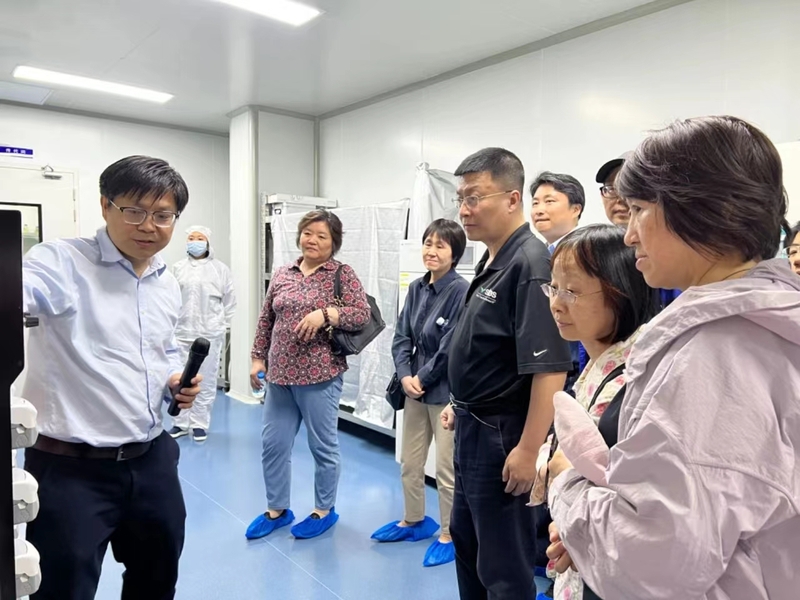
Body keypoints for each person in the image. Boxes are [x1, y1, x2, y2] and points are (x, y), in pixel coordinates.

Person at [546, 116, 800, 599]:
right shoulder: (770, 321)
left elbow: (650, 559)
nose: (629, 235)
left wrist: (566, 488)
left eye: (640, 209)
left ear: (702, 210)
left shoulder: (717, 353)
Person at [21, 155, 202, 599]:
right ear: (106, 206)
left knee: (156, 579)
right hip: (69, 469)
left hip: (151, 459)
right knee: (62, 589)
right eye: (134, 211)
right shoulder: (61, 262)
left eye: (163, 215)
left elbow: (162, 350)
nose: (148, 226)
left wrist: (173, 378)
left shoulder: (165, 280)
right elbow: (20, 290)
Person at [440, 147, 572, 599]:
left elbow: (550, 367)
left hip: (503, 434)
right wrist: (460, 401)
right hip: (473, 423)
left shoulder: (530, 264)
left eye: (475, 197)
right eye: (461, 198)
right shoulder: (493, 259)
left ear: (513, 199)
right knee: (468, 541)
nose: (464, 209)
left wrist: (528, 449)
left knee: (502, 563)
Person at [533, 224, 660, 600]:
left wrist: (561, 476)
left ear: (620, 292)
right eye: (553, 288)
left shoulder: (638, 376)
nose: (556, 303)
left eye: (571, 291)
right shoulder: (598, 363)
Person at [246, 209, 370, 541]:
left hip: (320, 376)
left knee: (322, 446)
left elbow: (362, 314)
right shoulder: (283, 273)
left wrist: (326, 314)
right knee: (273, 444)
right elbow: (266, 319)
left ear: (334, 242)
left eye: (321, 235)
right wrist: (257, 358)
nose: (312, 240)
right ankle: (277, 509)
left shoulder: (341, 273)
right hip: (279, 376)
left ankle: (323, 510)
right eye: (307, 233)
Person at [371, 219, 469, 567]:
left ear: (455, 254)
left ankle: (449, 533)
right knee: (410, 462)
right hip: (413, 390)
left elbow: (451, 346)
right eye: (428, 243)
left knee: (445, 469)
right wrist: (405, 375)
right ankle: (413, 520)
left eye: (441, 245)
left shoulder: (461, 291)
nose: (432, 251)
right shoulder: (416, 288)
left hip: (445, 394)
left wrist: (422, 377)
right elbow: (402, 337)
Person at [169, 225, 236, 442]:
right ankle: (180, 422)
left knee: (205, 381)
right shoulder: (177, 268)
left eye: (200, 238)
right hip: (181, 332)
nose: (195, 241)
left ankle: (199, 424)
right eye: (191, 238)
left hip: (209, 334)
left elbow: (230, 301)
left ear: (207, 242)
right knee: (180, 379)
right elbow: (170, 299)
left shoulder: (220, 269)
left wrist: (221, 325)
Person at [530, 171, 585, 254]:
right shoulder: (537, 254)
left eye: (549, 201)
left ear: (575, 210)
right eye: (535, 203)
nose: (539, 210)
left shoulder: (587, 251)